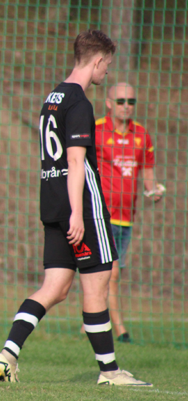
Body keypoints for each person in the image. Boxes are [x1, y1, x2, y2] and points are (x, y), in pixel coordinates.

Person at [0, 29, 151, 386]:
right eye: (107, 66)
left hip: (52, 203)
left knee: (56, 287)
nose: (106, 72)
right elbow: (76, 162)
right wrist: (79, 213)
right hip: (82, 208)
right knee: (97, 287)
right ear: (98, 61)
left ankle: (8, 353)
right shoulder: (79, 102)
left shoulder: (52, 98)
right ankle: (110, 372)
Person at [95, 82, 165, 343]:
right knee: (111, 273)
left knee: (111, 274)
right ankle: (121, 330)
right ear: (109, 103)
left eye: (131, 101)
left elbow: (147, 172)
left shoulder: (142, 135)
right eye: (121, 101)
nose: (126, 106)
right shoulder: (96, 130)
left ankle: (87, 324)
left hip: (127, 217)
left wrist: (153, 190)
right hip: (102, 215)